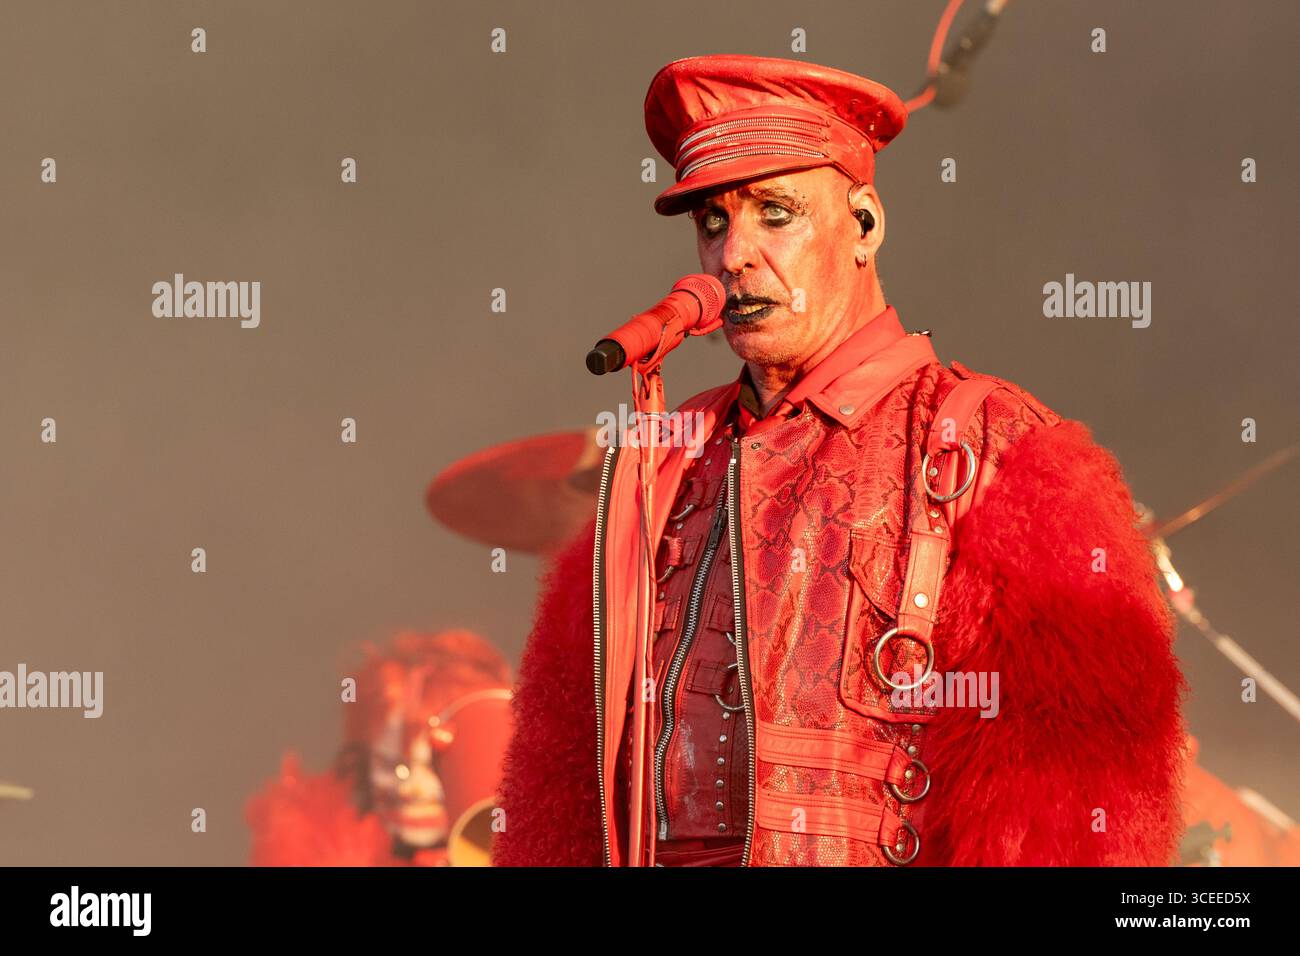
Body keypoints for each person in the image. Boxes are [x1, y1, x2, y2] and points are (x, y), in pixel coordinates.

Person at [492, 54, 1187, 867]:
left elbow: (1069, 818)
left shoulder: (993, 443)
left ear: (864, 224)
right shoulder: (663, 457)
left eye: (774, 212)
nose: (732, 255)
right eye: (712, 222)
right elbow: (567, 778)